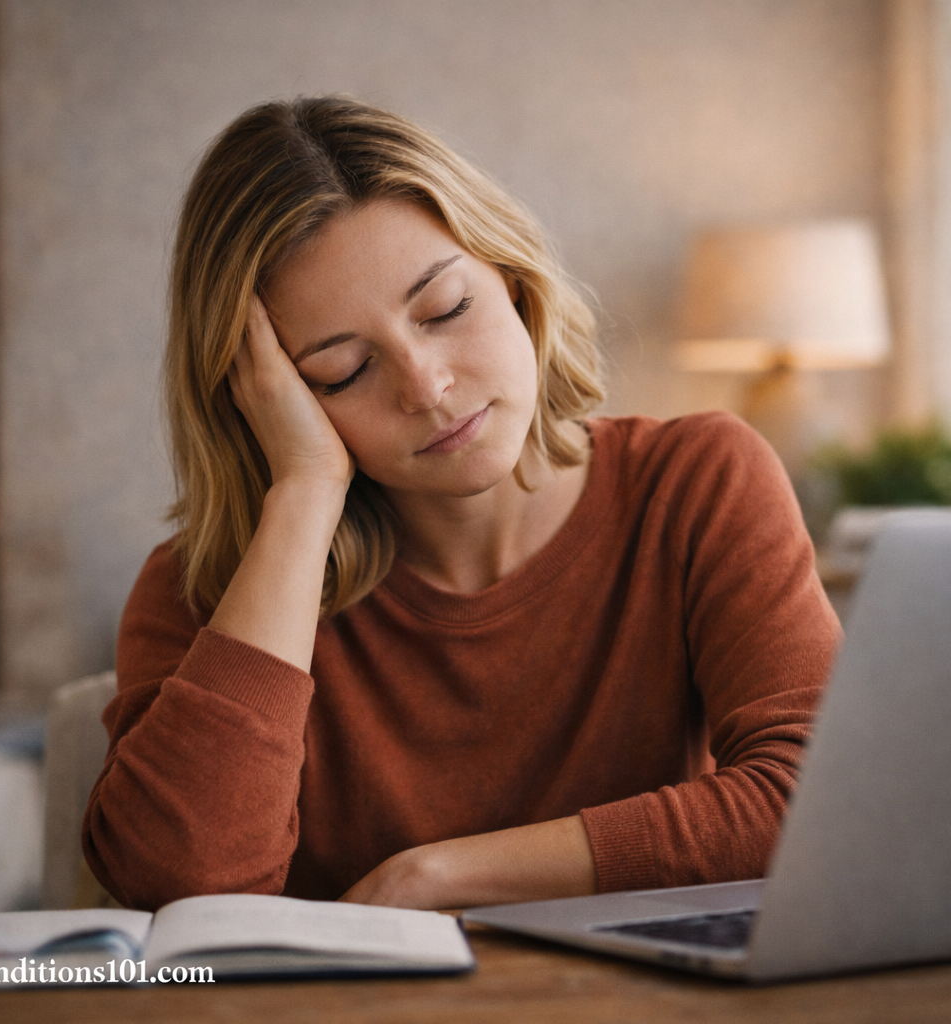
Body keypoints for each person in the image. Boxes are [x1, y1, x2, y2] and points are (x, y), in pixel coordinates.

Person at [83, 96, 841, 912]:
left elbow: (820, 800)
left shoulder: (697, 482)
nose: (428, 388)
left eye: (447, 311)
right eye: (342, 371)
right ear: (263, 402)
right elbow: (176, 886)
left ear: (511, 280)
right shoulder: (209, 588)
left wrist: (440, 874)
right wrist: (303, 493)